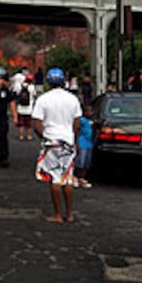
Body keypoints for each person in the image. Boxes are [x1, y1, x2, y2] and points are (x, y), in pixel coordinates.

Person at [33, 67, 83, 223]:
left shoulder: (43, 99)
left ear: (48, 81)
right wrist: (74, 140)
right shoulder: (72, 99)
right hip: (68, 141)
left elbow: (37, 124)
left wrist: (44, 136)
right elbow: (77, 122)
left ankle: (57, 215)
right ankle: (69, 214)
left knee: (55, 178)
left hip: (51, 142)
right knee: (67, 178)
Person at [74, 106, 95, 189]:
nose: (91, 113)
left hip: (88, 144)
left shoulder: (91, 122)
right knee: (80, 162)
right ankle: (75, 177)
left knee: (86, 163)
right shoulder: (81, 121)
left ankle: (82, 178)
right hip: (82, 143)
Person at [14, 74, 37, 141]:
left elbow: (17, 94)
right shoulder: (32, 87)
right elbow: (34, 94)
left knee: (21, 124)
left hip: (20, 108)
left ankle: (21, 135)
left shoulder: (20, 86)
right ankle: (29, 136)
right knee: (28, 124)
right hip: (29, 109)